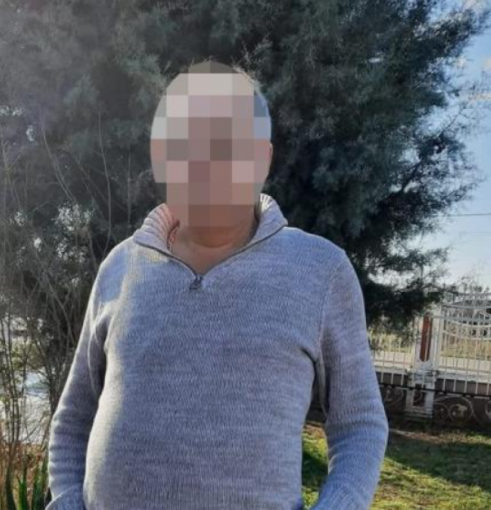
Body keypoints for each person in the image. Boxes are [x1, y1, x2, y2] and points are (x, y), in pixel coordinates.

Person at [47, 60, 389, 510]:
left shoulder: (320, 271)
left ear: (262, 158)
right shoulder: (120, 267)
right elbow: (74, 419)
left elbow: (360, 425)